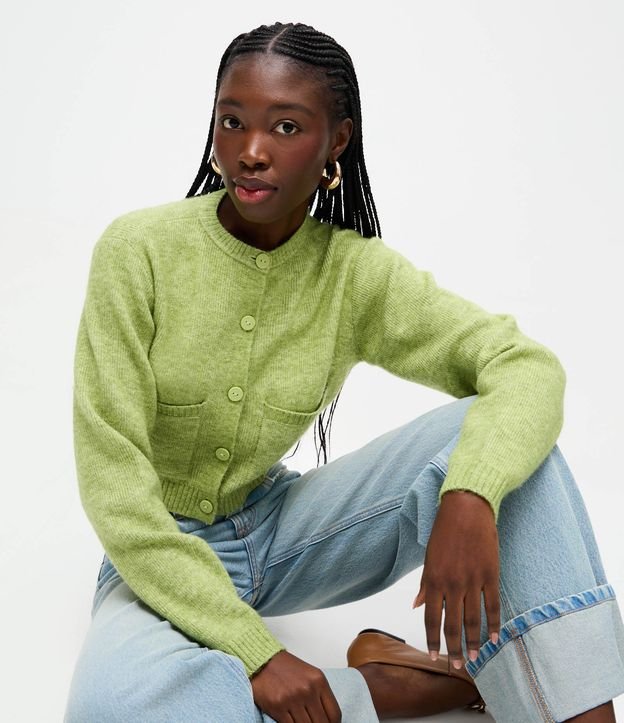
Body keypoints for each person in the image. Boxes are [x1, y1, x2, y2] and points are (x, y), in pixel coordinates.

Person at [65, 20, 624, 723]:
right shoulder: (138, 252)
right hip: (156, 551)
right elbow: (116, 491)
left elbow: (525, 366)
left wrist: (471, 494)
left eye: (286, 127)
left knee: (510, 445)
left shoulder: (353, 275)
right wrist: (258, 655)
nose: (251, 151)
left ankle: (571, 713)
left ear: (337, 142)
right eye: (232, 121)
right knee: (109, 708)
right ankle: (388, 688)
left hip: (281, 533)